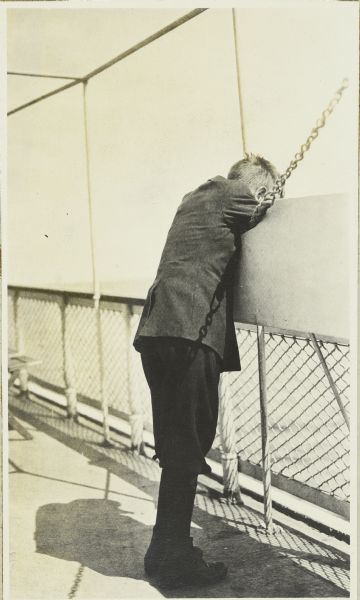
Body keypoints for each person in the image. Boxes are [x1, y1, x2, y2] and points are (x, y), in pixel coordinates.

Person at [133, 154, 280, 588]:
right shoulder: (235, 194)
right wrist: (271, 201)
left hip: (159, 331)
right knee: (188, 444)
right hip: (188, 335)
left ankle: (165, 551)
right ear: (257, 188)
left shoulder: (196, 197)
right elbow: (262, 208)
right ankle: (172, 559)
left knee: (179, 443)